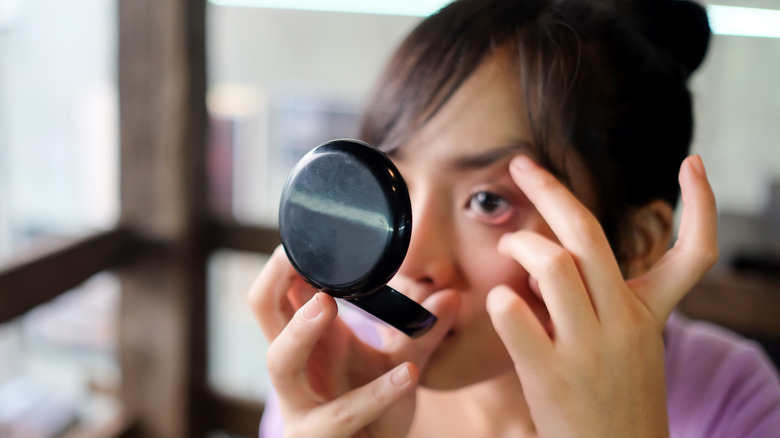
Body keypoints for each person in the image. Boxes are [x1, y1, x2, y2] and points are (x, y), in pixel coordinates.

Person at [249, 0, 780, 436]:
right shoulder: (343, 361)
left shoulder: (728, 399)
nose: (408, 261)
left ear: (636, 240)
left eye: (488, 201)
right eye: (398, 187)